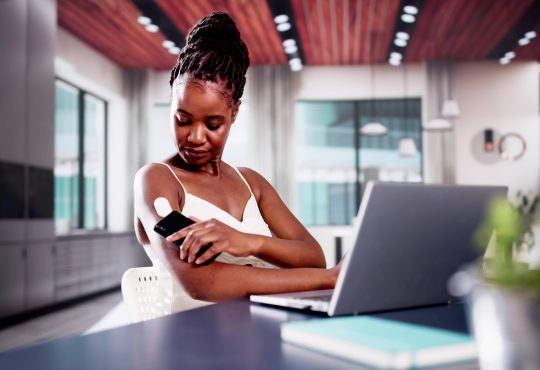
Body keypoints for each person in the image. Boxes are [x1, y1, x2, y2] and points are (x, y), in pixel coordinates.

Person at [134, 12, 340, 312]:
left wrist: (248, 242)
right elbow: (201, 282)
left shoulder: (251, 182)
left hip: (262, 329)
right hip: (189, 342)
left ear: (234, 113)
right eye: (183, 120)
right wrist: (325, 280)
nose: (195, 137)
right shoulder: (157, 180)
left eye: (213, 123)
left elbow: (311, 255)